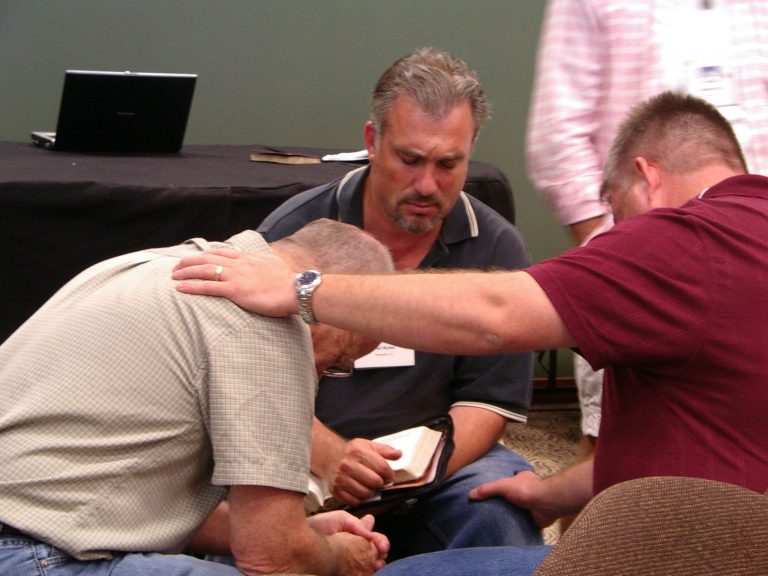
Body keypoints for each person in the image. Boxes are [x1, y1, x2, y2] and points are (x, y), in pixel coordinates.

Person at [173, 91, 768, 574]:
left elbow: (495, 312)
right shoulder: (744, 237)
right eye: (410, 159)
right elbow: (715, 434)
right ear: (372, 144)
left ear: (647, 178)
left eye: (614, 212)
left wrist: (305, 288)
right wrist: (554, 493)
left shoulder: (677, 242)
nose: (614, 236)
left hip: (707, 544)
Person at [255, 46, 540, 559]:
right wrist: (330, 455)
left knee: (502, 509)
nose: (427, 185)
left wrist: (416, 471)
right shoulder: (291, 234)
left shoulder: (495, 249)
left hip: (437, 465)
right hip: (306, 460)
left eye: (448, 164)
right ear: (372, 141)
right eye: (409, 160)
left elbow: (486, 403)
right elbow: (249, 386)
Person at [0, 219, 393, 576]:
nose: (323, 376)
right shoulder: (268, 325)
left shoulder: (148, 265)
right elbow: (274, 560)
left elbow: (127, 508)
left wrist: (307, 533)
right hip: (34, 555)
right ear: (322, 299)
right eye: (339, 359)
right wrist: (339, 557)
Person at [526, 0, 768, 479]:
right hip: (642, 264)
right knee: (618, 449)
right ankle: (590, 556)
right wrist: (613, 249)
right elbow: (558, 135)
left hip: (754, 266)